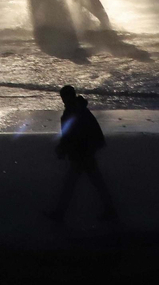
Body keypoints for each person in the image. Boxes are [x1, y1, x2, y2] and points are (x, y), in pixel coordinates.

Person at [47, 85, 117, 223]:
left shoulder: (74, 111)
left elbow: (72, 134)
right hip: (84, 152)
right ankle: (110, 211)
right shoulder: (79, 109)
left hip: (82, 153)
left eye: (64, 97)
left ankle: (59, 214)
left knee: (73, 184)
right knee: (93, 182)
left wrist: (63, 149)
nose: (63, 100)